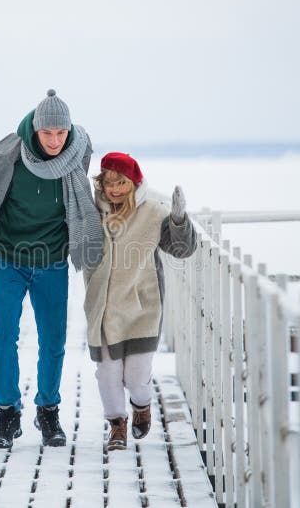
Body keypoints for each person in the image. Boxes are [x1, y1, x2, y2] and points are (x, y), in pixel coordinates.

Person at [0, 90, 103, 449]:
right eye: (48, 133)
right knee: (3, 337)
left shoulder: (76, 158)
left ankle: (47, 411)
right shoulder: (8, 159)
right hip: (8, 260)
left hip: (53, 262)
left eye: (61, 133)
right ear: (35, 130)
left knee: (54, 341)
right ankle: (7, 415)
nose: (56, 140)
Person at [84, 152, 196, 450]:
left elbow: (182, 249)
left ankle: (142, 405)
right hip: (104, 309)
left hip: (141, 308)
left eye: (121, 183)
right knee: (107, 373)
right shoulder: (91, 210)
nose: (115, 189)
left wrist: (179, 220)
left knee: (136, 377)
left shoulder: (154, 211)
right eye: (109, 183)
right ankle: (117, 424)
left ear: (133, 183)